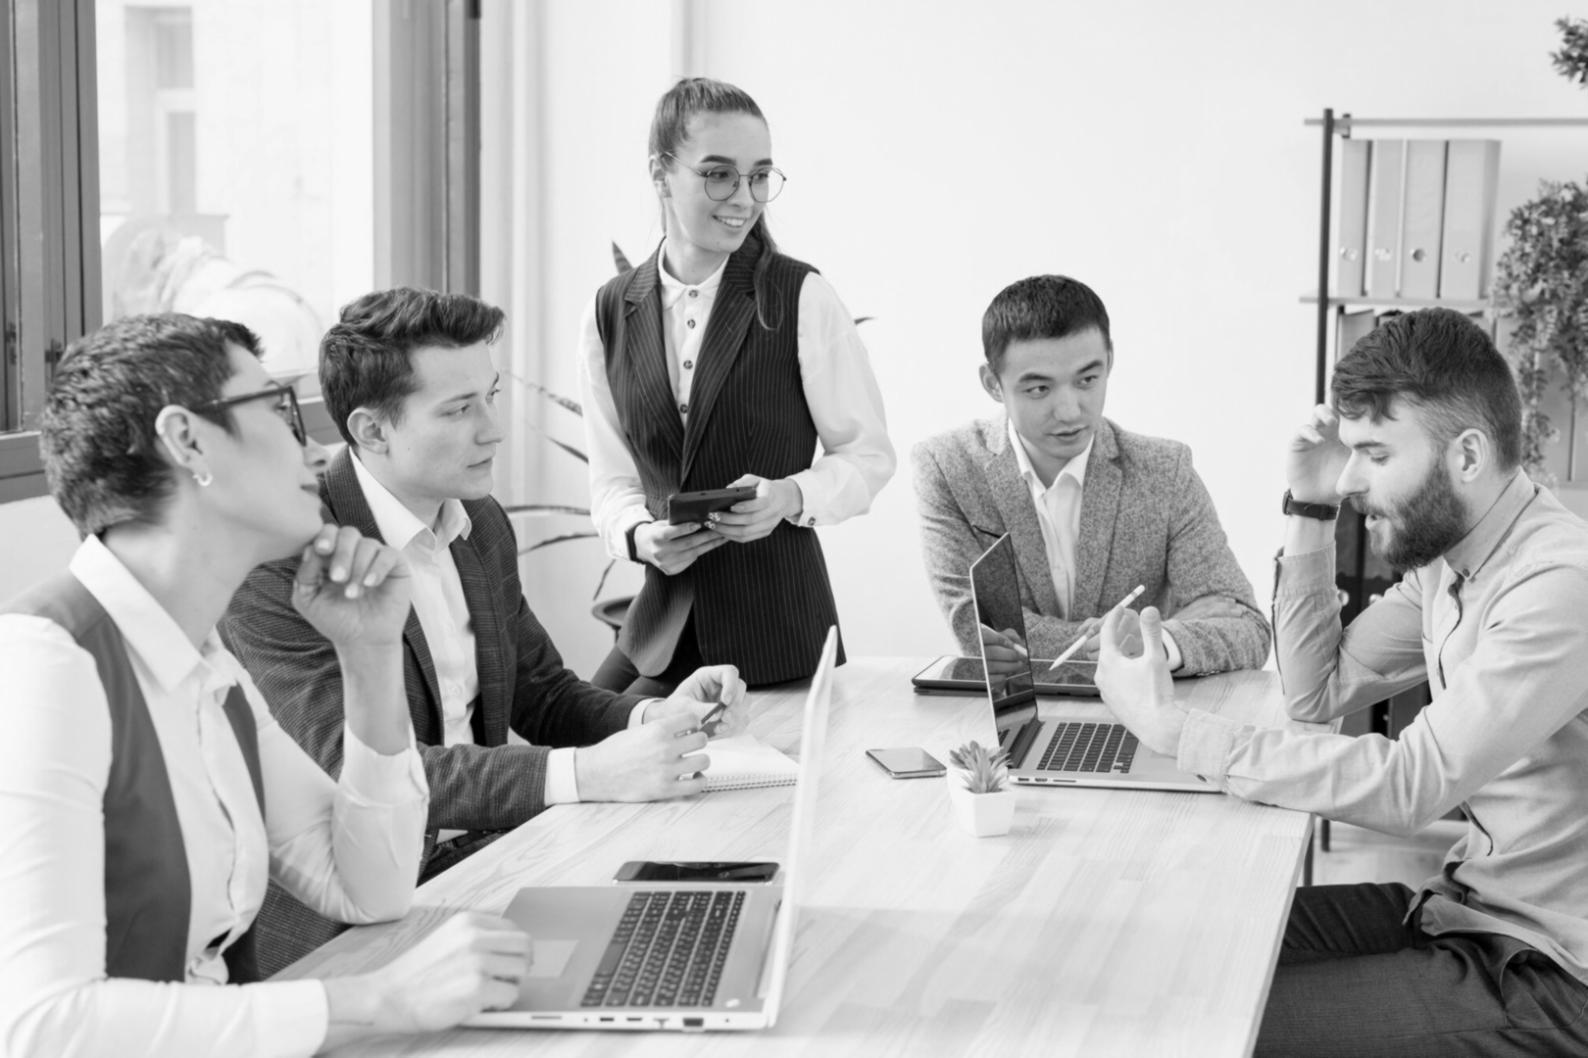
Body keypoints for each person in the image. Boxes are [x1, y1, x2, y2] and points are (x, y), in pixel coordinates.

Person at [0, 314, 528, 1056]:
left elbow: (371, 888)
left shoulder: (207, 667)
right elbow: (42, 1026)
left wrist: (370, 653)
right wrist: (379, 1000)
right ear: (188, 441)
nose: (314, 447)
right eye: (278, 410)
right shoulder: (47, 665)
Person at [1095, 307, 1588, 1056]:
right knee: (1173, 949)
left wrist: (1175, 730)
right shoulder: (1453, 562)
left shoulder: (1555, 583)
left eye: (1376, 454)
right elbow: (1315, 691)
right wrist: (1312, 503)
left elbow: (1411, 784)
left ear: (1467, 455)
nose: (1354, 477)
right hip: (1462, 912)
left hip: (1546, 973)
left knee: (1204, 1021)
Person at [221, 287, 743, 971]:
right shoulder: (287, 557)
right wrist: (585, 771)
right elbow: (354, 774)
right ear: (372, 430)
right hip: (353, 926)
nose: (493, 429)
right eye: (460, 409)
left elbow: (542, 691)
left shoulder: (478, 521)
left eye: (490, 396)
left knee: (700, 925)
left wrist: (649, 719)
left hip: (488, 859)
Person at [577, 76, 896, 695]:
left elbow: (869, 458)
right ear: (661, 173)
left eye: (759, 176)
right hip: (660, 630)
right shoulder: (609, 311)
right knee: (573, 760)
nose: (743, 198)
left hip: (775, 633)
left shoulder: (801, 296)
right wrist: (642, 538)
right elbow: (613, 481)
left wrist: (786, 497)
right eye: (718, 174)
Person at [913, 273, 1268, 676]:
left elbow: (1247, 630)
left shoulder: (1164, 472)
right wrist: (1136, 640)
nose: (1070, 411)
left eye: (1087, 380)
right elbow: (978, 633)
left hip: (1141, 718)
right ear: (993, 383)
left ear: (1110, 361)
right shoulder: (948, 467)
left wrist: (1159, 640)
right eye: (1039, 390)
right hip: (1013, 720)